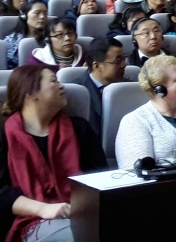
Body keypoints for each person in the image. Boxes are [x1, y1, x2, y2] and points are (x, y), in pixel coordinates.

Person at [0, 65, 107, 241]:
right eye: (53, 81)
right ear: (31, 93)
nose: (61, 85)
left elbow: (99, 178)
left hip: (81, 213)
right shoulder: (4, 135)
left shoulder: (79, 128)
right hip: (30, 220)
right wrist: (43, 209)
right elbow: (2, 193)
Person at [75, 38, 127, 136]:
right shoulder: (77, 92)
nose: (123, 65)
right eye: (118, 61)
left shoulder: (128, 88)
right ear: (97, 66)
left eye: (124, 59)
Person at [5, 0, 48, 69]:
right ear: (24, 15)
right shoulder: (12, 40)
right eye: (37, 13)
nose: (42, 16)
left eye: (45, 13)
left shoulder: (51, 37)